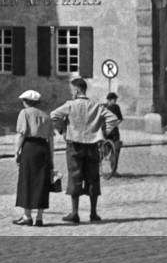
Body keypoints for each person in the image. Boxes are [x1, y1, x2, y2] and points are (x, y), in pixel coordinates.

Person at [50, 77, 120, 225]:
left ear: (77, 90)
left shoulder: (70, 105)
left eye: (72, 91)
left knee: (75, 177)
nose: (71, 94)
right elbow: (113, 119)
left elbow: (54, 115)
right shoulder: (97, 106)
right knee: (93, 178)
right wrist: (102, 133)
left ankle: (74, 213)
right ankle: (93, 213)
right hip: (93, 145)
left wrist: (62, 130)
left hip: (74, 145)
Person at [13, 90, 54, 227]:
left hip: (30, 148)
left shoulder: (24, 113)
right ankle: (40, 218)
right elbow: (51, 140)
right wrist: (51, 158)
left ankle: (27, 216)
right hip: (44, 149)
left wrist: (16, 151)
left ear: (25, 102)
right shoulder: (46, 116)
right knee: (42, 182)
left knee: (27, 180)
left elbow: (21, 134)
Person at [104, 93, 124, 175]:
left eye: (116, 99)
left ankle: (114, 170)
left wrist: (114, 125)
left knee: (116, 151)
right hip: (105, 134)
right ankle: (97, 169)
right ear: (109, 100)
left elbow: (120, 119)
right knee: (103, 152)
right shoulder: (103, 108)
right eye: (114, 99)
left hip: (115, 133)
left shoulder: (116, 107)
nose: (115, 101)